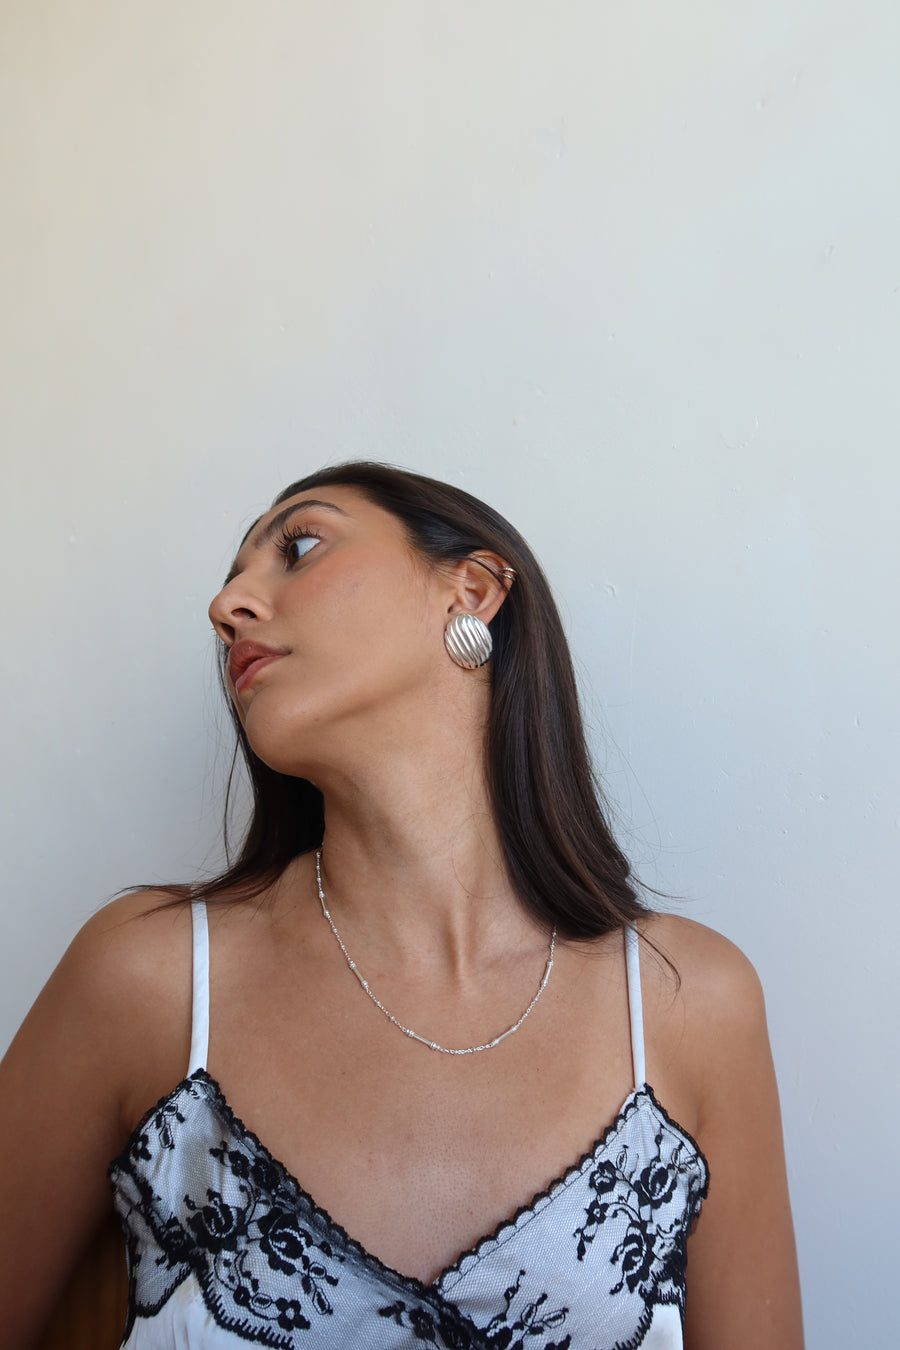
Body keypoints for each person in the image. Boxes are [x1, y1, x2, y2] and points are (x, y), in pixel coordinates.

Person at [0, 462, 804, 1349]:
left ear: (472, 590)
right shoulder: (150, 980)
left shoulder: (687, 1003)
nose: (226, 606)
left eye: (299, 547)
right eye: (231, 581)